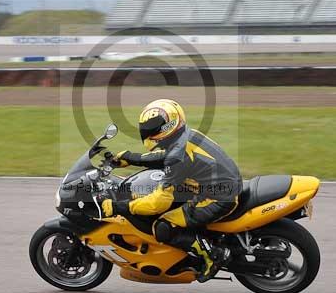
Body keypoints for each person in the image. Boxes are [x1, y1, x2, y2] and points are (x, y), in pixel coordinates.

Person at [100, 99, 242, 282]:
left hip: (218, 197)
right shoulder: (185, 135)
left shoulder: (177, 156)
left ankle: (213, 255)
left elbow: (158, 203)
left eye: (151, 128)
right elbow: (164, 156)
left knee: (163, 227)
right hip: (218, 184)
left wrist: (119, 207)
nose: (147, 132)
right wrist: (132, 158)